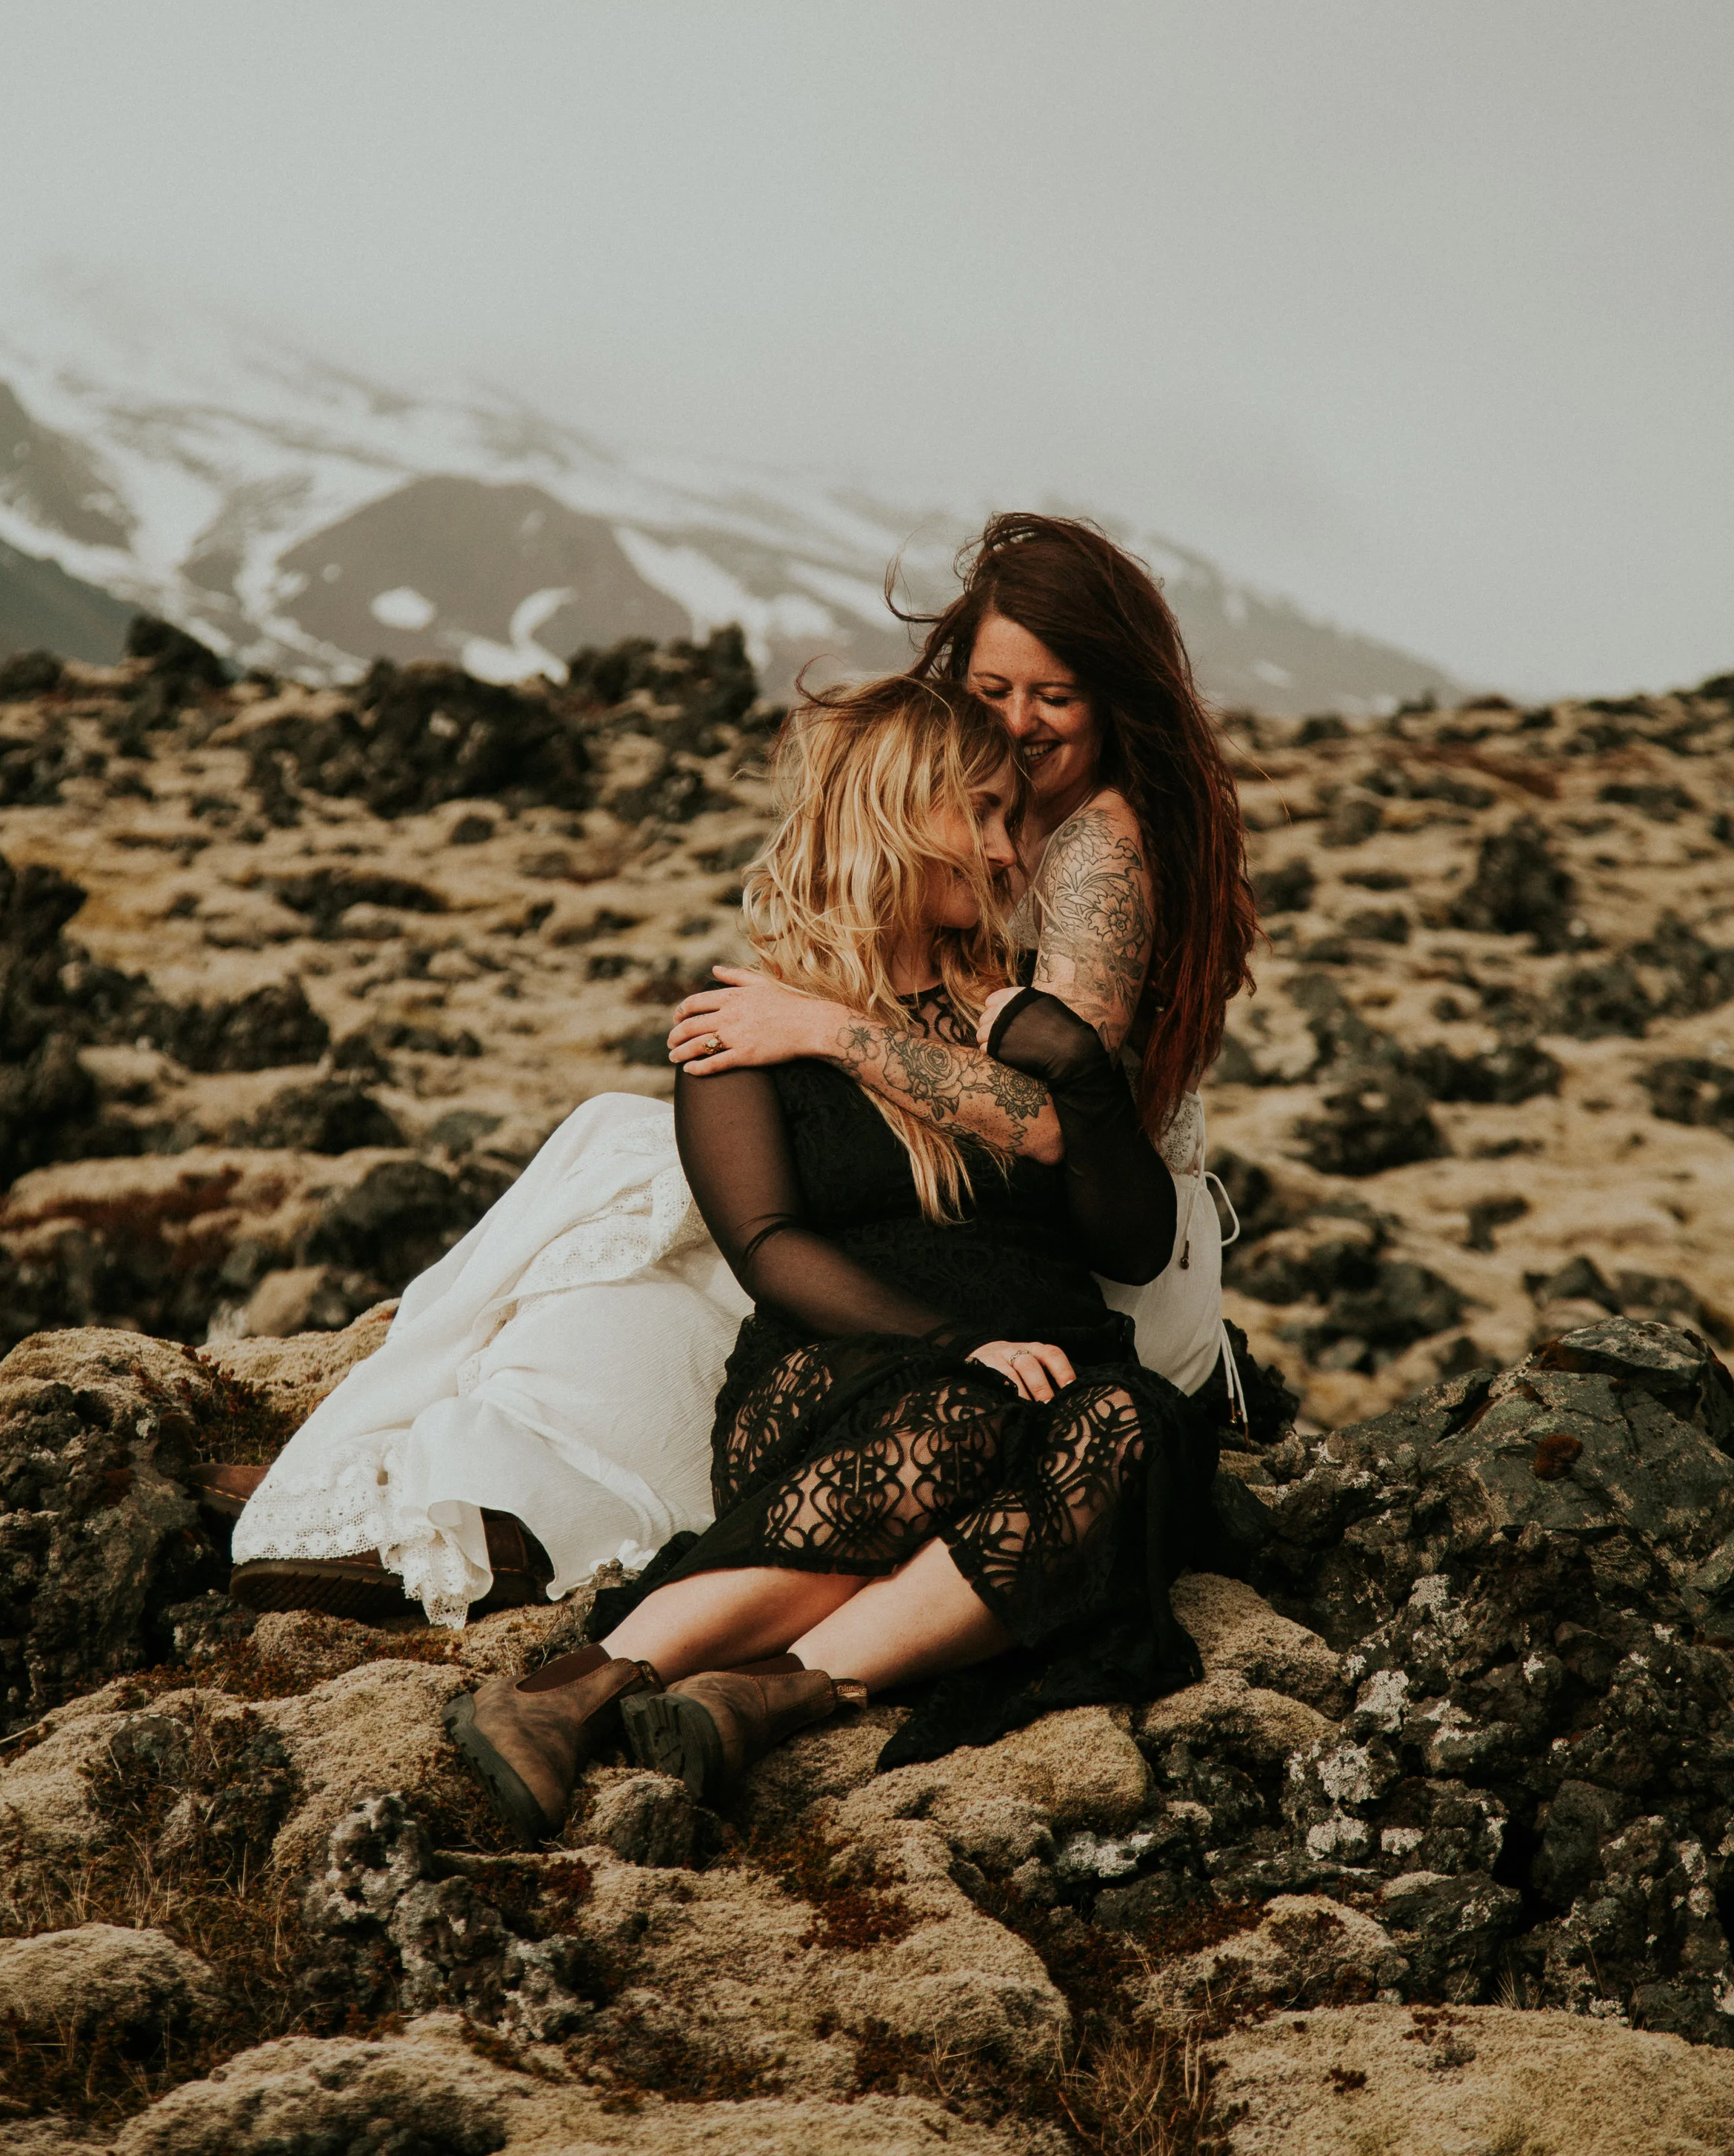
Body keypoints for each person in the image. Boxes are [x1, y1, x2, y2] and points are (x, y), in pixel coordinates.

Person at [444, 671, 1233, 1850]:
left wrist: (1074, 1065)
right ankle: (574, 1685)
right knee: (973, 1415)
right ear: (909, 811)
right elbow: (770, 1248)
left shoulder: (1006, 1020)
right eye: (990, 812)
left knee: (1133, 1429)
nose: (1016, 850)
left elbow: (1128, 1237)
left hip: (1051, 1369)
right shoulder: (746, 1027)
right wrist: (956, 1342)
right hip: (839, 1376)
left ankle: (768, 1693)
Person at [664, 510, 1263, 1411]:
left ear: (1112, 700)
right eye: (992, 690)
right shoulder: (952, 801)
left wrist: (824, 1029)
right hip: (953, 1194)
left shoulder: (1096, 849)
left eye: (1054, 697)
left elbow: (1056, 1118)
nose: (1018, 723)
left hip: (1070, 1235)